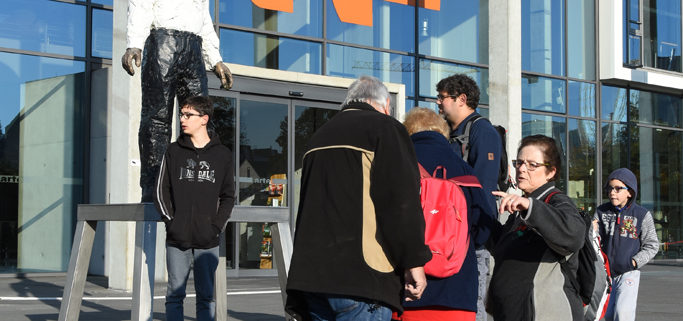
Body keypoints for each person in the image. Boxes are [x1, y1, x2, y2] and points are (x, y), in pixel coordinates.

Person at [285, 76, 432, 321]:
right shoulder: (385, 128)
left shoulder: (319, 136)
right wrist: (414, 262)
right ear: (385, 105)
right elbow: (400, 203)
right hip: (361, 280)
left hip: (312, 280)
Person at [122, 0, 234, 202]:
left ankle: (201, 180)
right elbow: (140, 4)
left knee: (201, 118)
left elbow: (204, 18)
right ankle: (153, 185)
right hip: (162, 42)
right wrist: (135, 43)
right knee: (157, 117)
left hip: (194, 48)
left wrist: (215, 59)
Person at [397, 107, 495, 321]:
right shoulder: (464, 170)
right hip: (457, 293)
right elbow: (483, 230)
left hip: (407, 291)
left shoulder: (397, 166)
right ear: (443, 134)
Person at [153, 96, 235, 321]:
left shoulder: (223, 155)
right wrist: (172, 222)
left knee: (206, 297)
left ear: (204, 119)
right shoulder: (173, 151)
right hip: (177, 238)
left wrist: (216, 227)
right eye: (181, 114)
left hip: (208, 239)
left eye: (188, 115)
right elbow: (161, 192)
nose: (182, 119)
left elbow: (228, 196)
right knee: (174, 294)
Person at [488, 135, 585, 320]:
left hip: (544, 313)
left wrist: (530, 207)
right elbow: (502, 249)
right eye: (519, 162)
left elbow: (574, 234)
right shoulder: (524, 206)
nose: (522, 169)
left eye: (532, 165)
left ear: (551, 172)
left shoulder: (556, 201)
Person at [436, 74, 500, 321]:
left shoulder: (482, 131)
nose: (438, 103)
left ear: (461, 99)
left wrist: (475, 237)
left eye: (442, 98)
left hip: (471, 240)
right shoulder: (450, 133)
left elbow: (482, 190)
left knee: (473, 307)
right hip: (450, 236)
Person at [594, 168, 659, 321]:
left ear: (630, 192)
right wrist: (592, 231)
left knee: (622, 314)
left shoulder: (641, 215)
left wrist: (634, 262)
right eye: (610, 188)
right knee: (608, 315)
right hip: (606, 274)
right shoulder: (601, 212)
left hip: (628, 272)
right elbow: (595, 240)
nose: (612, 192)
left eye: (618, 188)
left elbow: (652, 245)